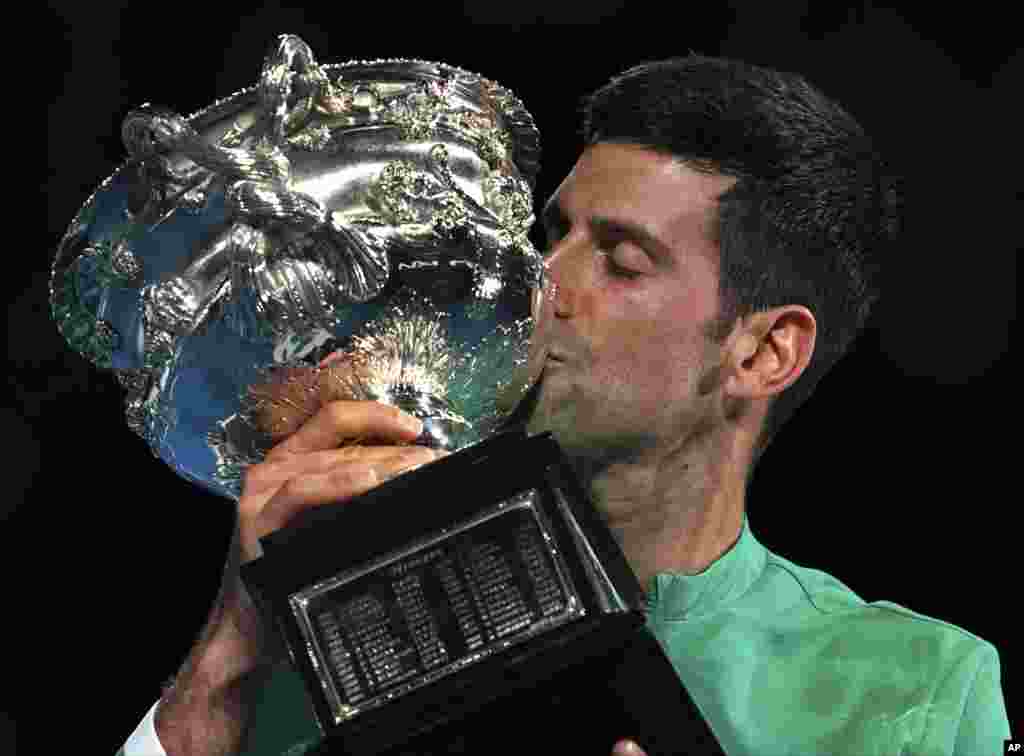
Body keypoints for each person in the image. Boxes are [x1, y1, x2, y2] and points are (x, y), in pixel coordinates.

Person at [120, 55, 1011, 756]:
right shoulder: (327, 629)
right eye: (552, 235)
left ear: (762, 351)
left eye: (620, 260)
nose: (542, 282)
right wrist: (230, 660)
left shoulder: (919, 691)